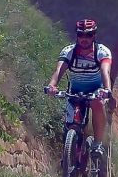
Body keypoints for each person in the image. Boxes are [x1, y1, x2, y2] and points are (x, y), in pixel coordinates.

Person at [46, 19, 112, 156]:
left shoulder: (102, 52)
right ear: (77, 35)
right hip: (75, 91)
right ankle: (71, 155)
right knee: (71, 125)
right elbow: (59, 71)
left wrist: (106, 89)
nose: (84, 39)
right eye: (81, 35)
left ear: (94, 35)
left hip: (96, 91)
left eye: (89, 35)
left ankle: (97, 144)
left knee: (98, 103)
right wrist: (52, 86)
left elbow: (105, 72)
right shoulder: (69, 51)